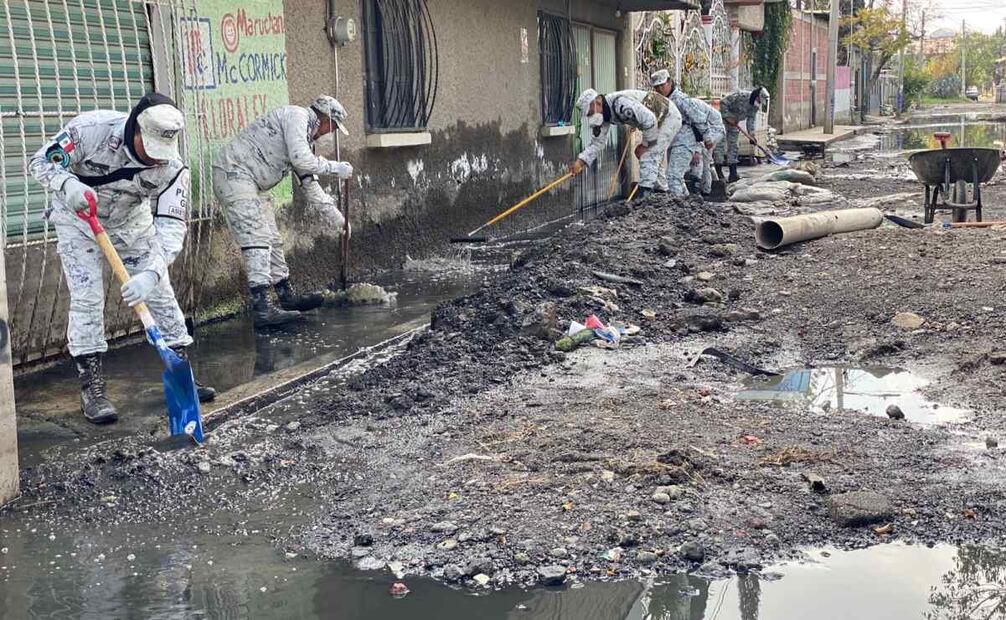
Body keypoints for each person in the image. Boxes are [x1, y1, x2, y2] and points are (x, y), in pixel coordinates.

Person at [29, 93, 216, 424]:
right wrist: (67, 183)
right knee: (87, 299)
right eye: (151, 148)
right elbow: (42, 161)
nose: (156, 159)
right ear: (135, 129)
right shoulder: (90, 130)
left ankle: (181, 372)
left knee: (161, 295)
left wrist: (152, 273)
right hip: (79, 222)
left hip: (133, 228)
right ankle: (93, 388)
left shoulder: (173, 170)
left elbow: (172, 229)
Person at [213, 96, 353, 329]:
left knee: (273, 240)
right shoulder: (296, 117)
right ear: (326, 119)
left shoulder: (305, 138)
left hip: (252, 183)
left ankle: (285, 296)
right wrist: (334, 168)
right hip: (234, 174)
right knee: (257, 239)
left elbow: (309, 184)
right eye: (334, 127)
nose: (332, 133)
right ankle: (262, 308)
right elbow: (302, 160)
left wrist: (338, 219)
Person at [569, 87, 682, 195]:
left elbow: (649, 120)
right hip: (655, 120)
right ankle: (661, 192)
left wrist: (645, 145)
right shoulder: (604, 115)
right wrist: (580, 162)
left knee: (648, 154)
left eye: (590, 113)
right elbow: (597, 143)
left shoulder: (620, 104)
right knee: (651, 155)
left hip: (667, 116)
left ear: (597, 102)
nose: (591, 117)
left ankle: (645, 193)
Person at [650, 70, 708, 198]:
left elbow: (699, 121)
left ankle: (679, 209)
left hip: (685, 141)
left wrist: (697, 149)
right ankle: (688, 205)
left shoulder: (681, 99)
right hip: (672, 142)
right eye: (656, 87)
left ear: (669, 82)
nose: (660, 89)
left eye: (662, 85)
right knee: (677, 178)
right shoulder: (659, 101)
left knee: (673, 178)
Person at [719, 87, 769, 183]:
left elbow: (751, 120)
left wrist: (752, 135)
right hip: (723, 121)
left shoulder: (755, 106)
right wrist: (727, 116)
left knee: (734, 146)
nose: (759, 102)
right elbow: (723, 102)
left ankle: (733, 174)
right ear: (756, 95)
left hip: (734, 123)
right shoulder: (740, 95)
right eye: (759, 99)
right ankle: (719, 172)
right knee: (720, 145)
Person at [689, 99, 726, 196]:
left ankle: (696, 188)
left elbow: (700, 130)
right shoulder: (686, 105)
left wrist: (696, 151)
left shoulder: (690, 109)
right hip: (709, 129)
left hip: (714, 129)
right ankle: (706, 191)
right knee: (706, 160)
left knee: (699, 156)